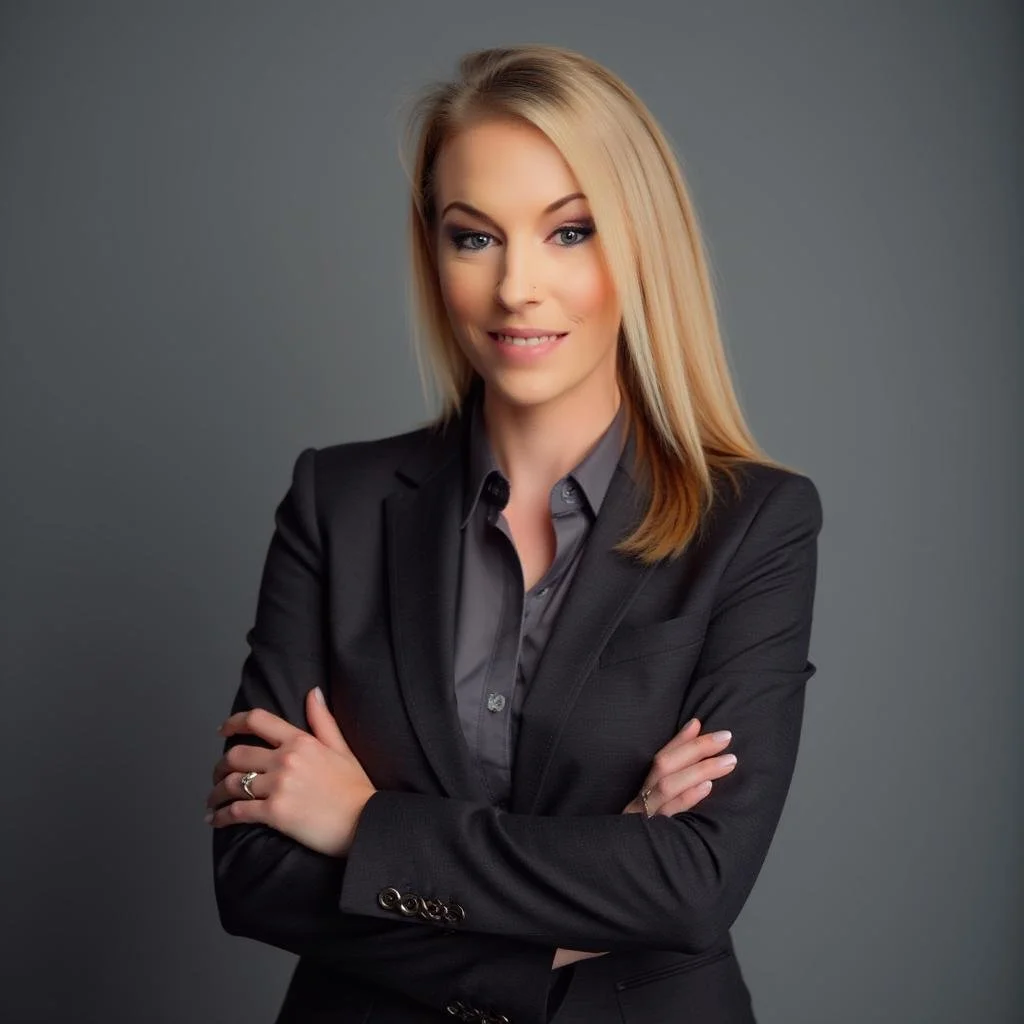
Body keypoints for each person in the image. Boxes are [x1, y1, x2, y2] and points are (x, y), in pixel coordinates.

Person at [206, 44, 823, 1024]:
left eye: (569, 231)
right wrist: (569, 916)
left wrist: (361, 822)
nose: (516, 288)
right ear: (433, 252)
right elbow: (252, 870)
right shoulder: (337, 500)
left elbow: (693, 885)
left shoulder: (753, 524)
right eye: (473, 237)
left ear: (639, 245)